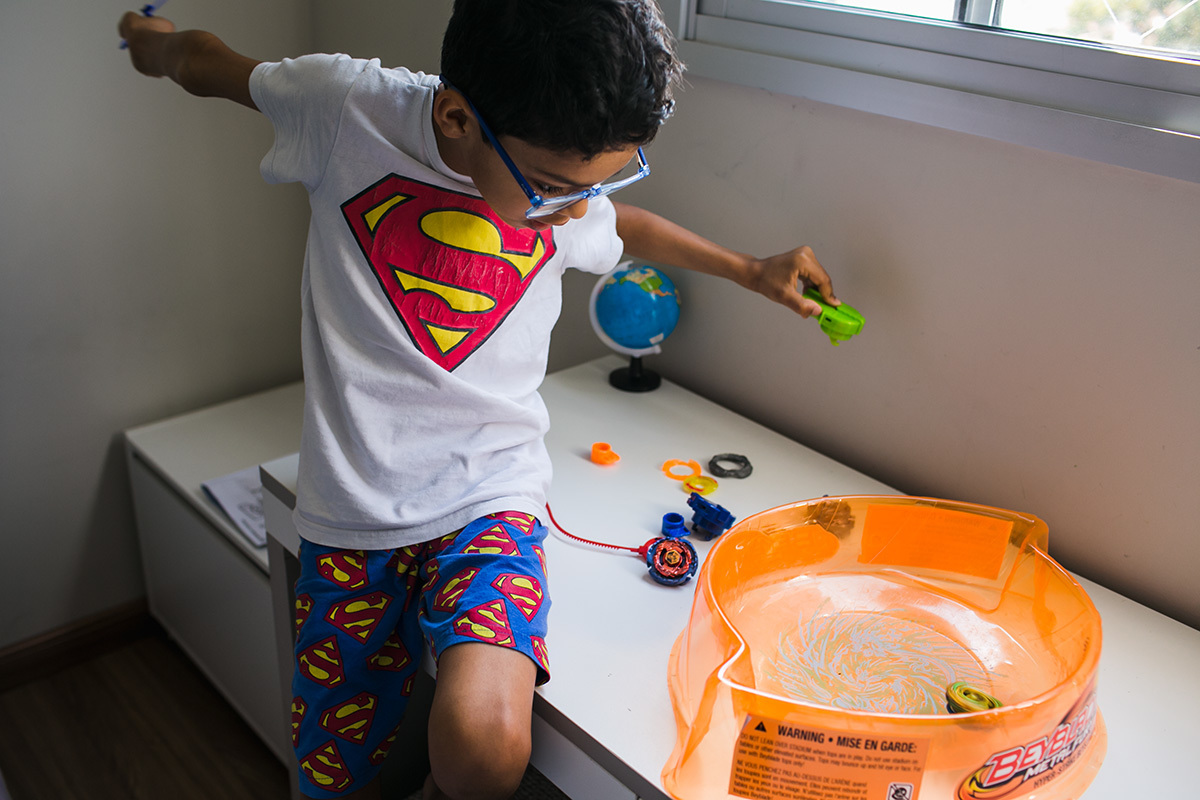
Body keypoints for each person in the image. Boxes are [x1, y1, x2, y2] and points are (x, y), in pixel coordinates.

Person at [119, 2, 840, 798]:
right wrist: (149, 40)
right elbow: (206, 61)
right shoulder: (346, 108)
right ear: (457, 118)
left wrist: (749, 270)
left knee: (486, 747)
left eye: (594, 185)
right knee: (332, 775)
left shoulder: (564, 186)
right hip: (352, 511)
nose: (575, 212)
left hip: (491, 498)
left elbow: (618, 223)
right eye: (554, 189)